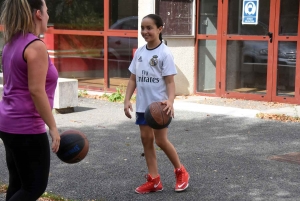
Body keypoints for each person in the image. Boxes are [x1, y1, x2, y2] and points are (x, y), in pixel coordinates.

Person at [0, 0, 60, 200]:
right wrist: (53, 127)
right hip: (26, 127)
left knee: (18, 182)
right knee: (34, 186)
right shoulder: (35, 46)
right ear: (38, 14)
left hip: (8, 123)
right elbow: (36, 91)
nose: (48, 15)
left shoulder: (11, 42)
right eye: (47, 10)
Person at [124, 14, 190, 194]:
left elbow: (170, 82)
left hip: (159, 108)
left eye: (149, 28)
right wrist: (127, 99)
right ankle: (154, 180)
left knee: (161, 140)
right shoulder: (139, 52)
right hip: (142, 107)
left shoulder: (165, 53)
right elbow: (132, 79)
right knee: (146, 141)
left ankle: (181, 172)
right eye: (142, 28)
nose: (145, 31)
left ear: (160, 29)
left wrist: (170, 101)